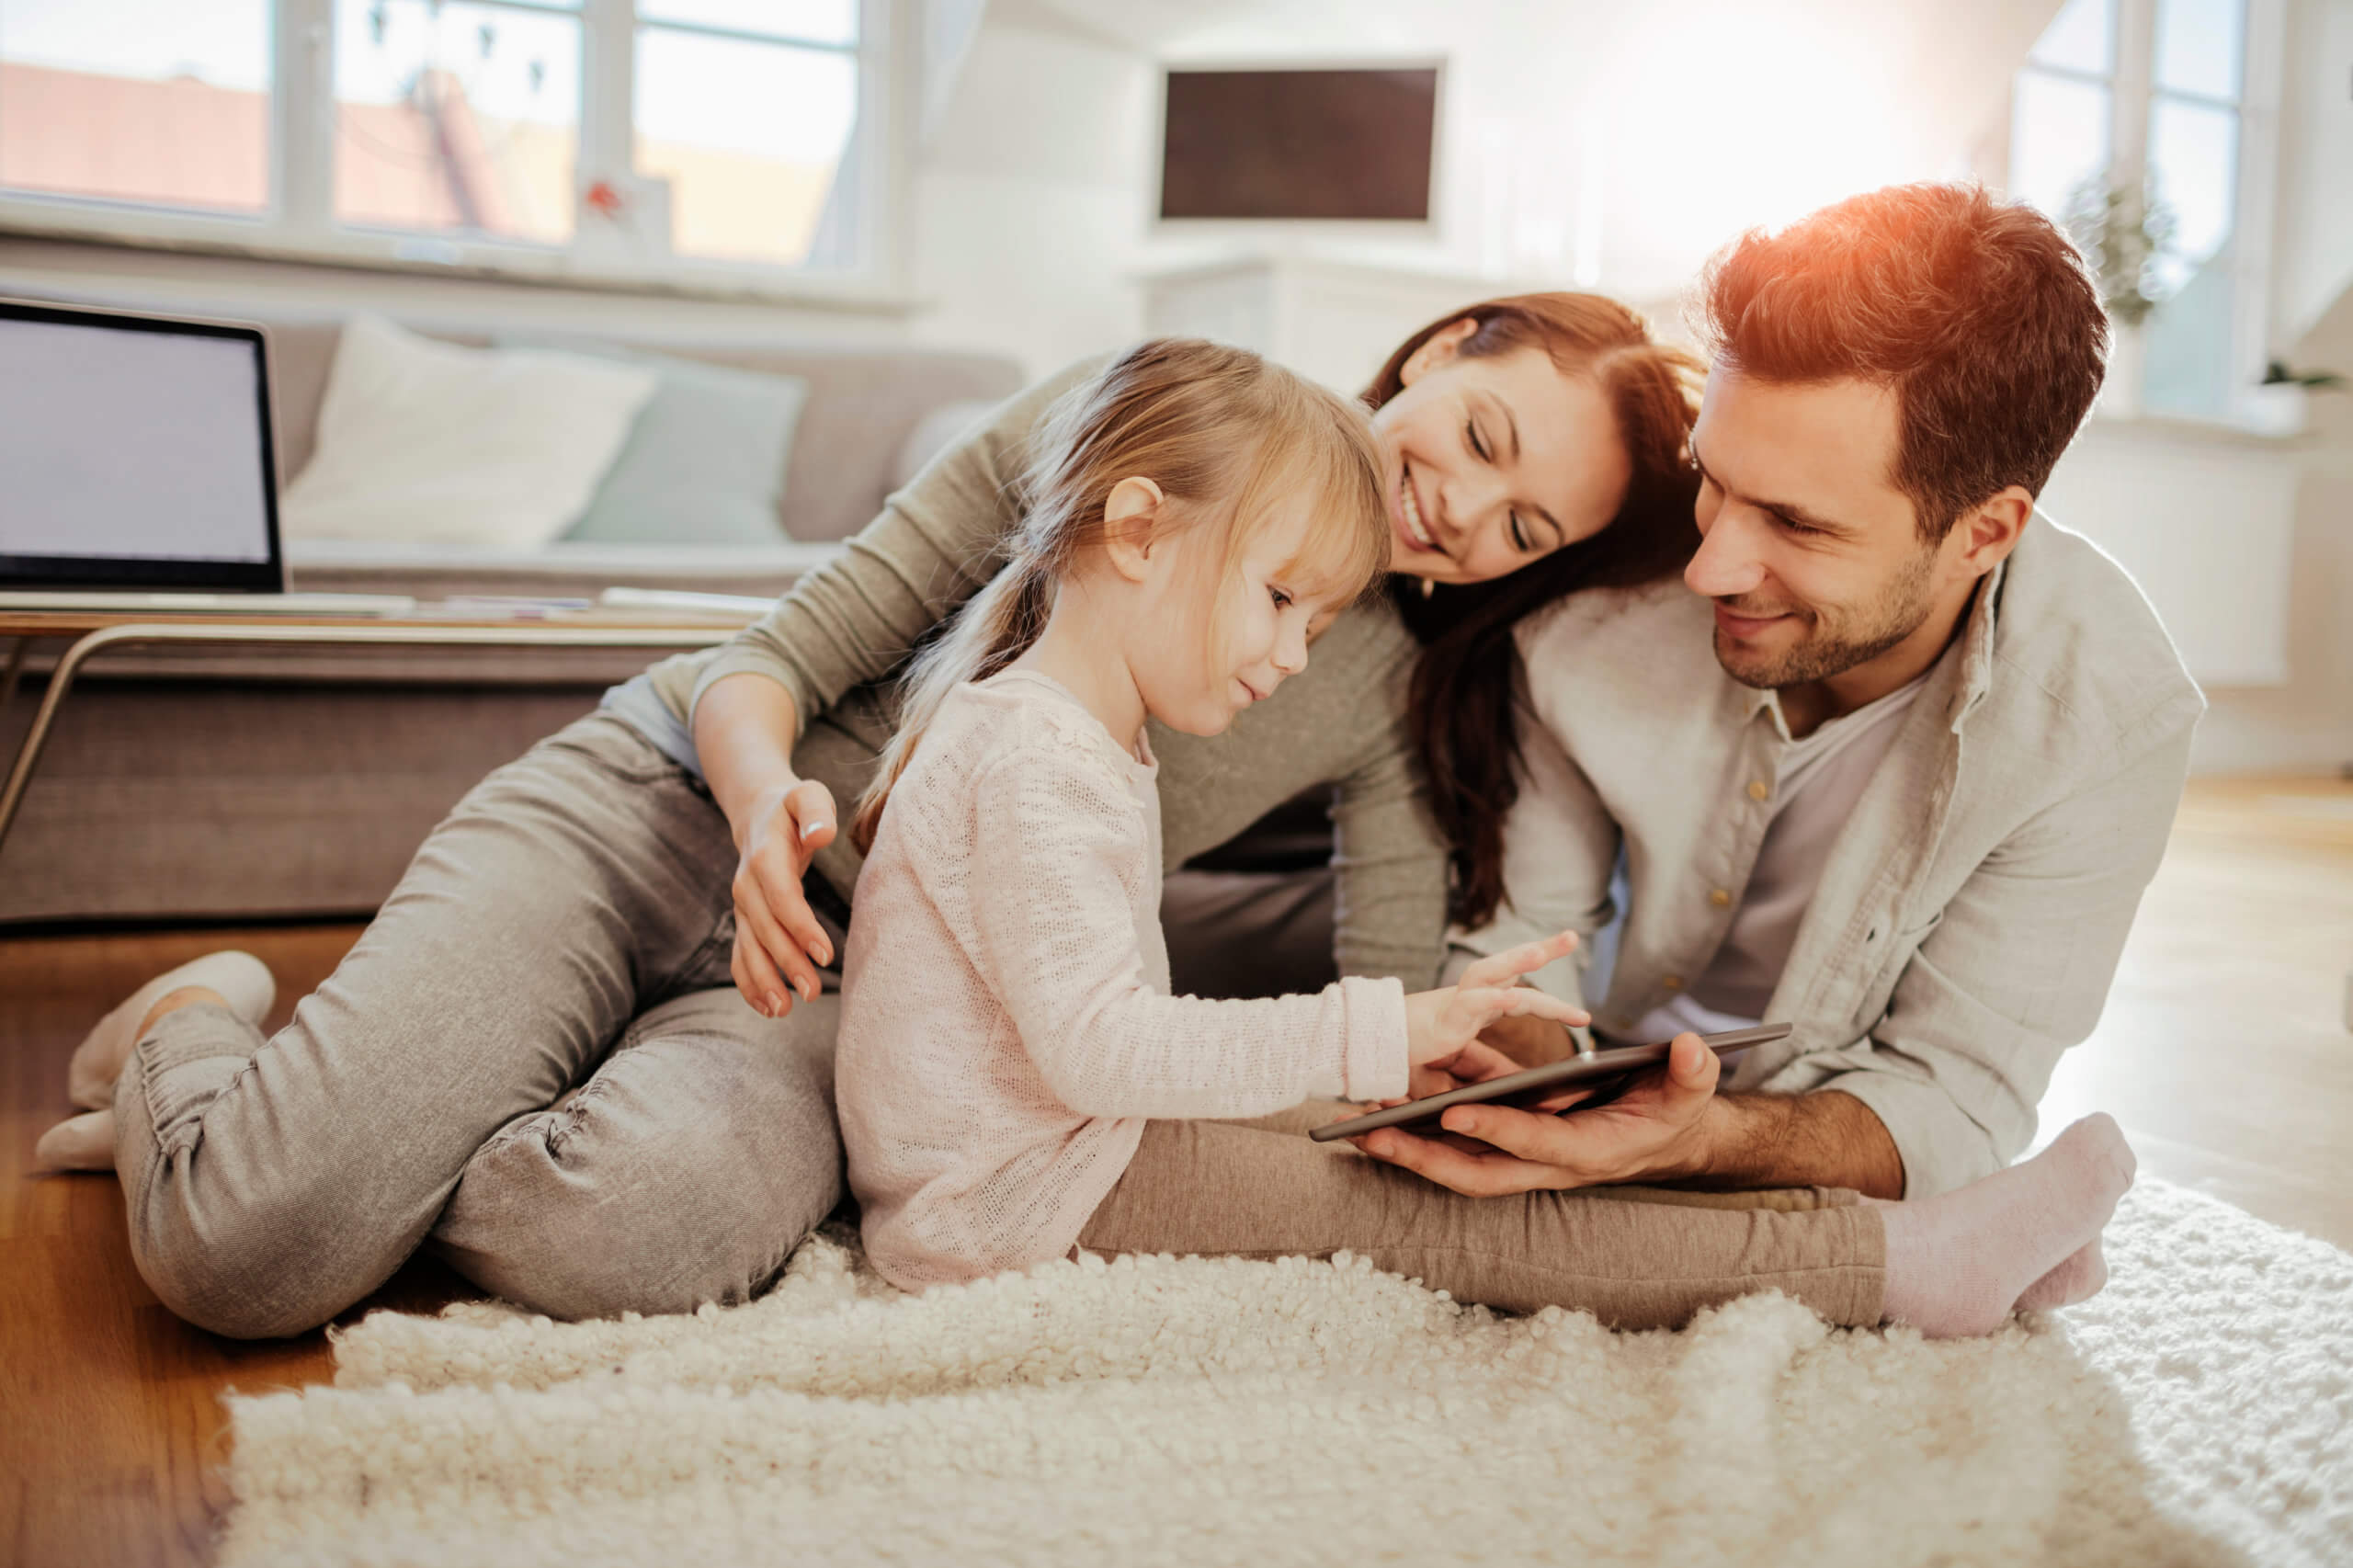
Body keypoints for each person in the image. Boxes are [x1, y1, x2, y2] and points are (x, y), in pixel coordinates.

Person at [37, 293, 1700, 1336]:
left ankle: (380, 1113)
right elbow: (765, 663)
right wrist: (767, 814)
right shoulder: (1146, 420)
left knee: (630, 1231)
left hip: (831, 989)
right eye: (1478, 436)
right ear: (1433, 347)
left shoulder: (1403, 704)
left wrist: (1458, 1056)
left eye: (1524, 525)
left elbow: (1357, 1011)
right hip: (670, 812)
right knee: (246, 1252)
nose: (1462, 508)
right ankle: (204, 1031)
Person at [838, 337, 2137, 1335]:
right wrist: (1369, 1032)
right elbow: (1101, 1045)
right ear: (1135, 532)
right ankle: (1906, 1266)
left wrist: (1386, 1057)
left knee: (1415, 1136)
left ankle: (1944, 1244)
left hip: (1045, 1149)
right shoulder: (1033, 754)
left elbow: (1096, 1040)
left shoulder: (1065, 735)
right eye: (1284, 600)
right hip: (1009, 1200)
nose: (1296, 654)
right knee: (1456, 1227)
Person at [1366, 186, 2203, 1251]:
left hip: (1785, 1115)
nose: (1707, 564)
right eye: (1712, 481)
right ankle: (1916, 1266)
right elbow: (1522, 933)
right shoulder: (1591, 618)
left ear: (1984, 532)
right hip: (1594, 1047)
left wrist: (1694, 1140)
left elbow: (1953, 1100)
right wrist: (1537, 1096)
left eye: (1797, 524)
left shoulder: (2101, 717)